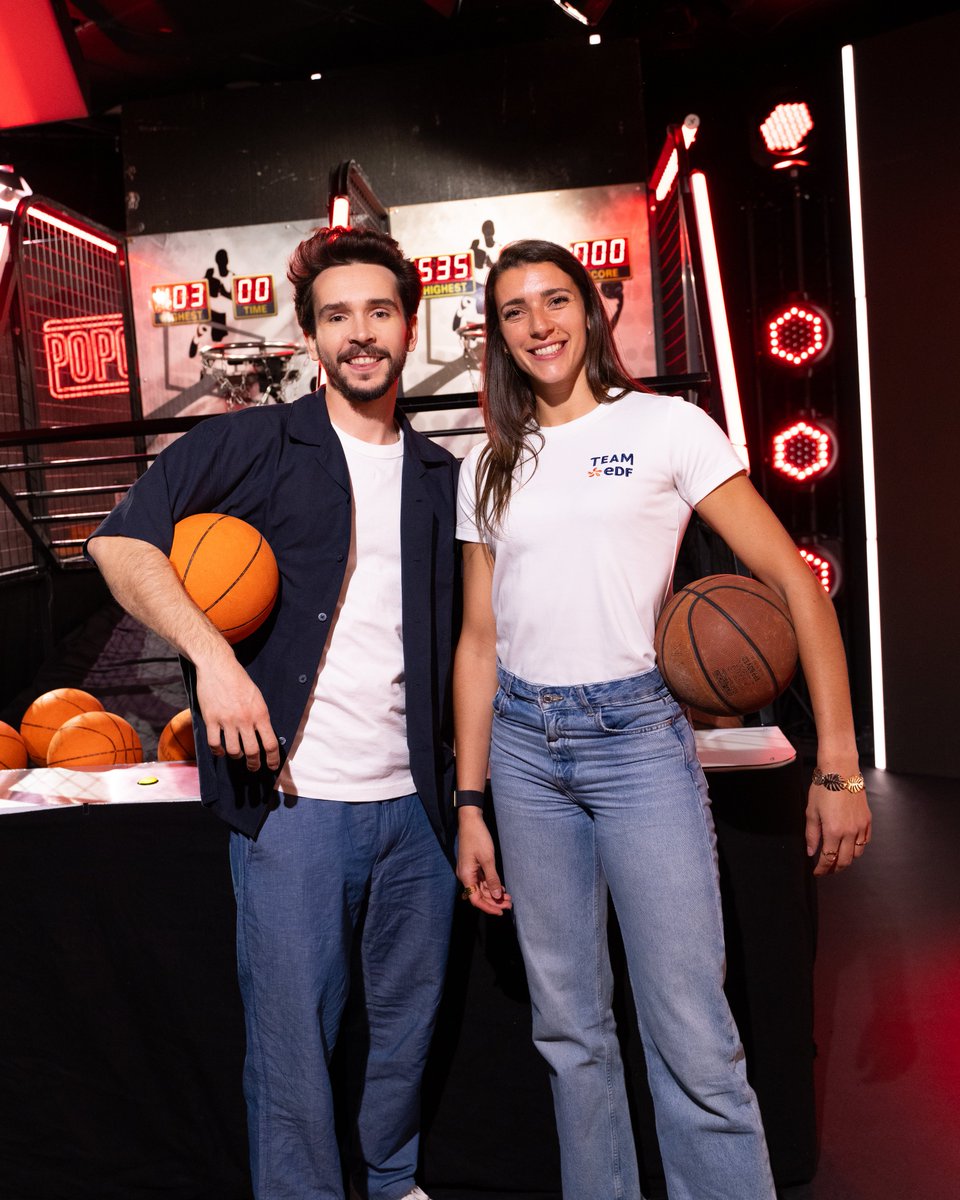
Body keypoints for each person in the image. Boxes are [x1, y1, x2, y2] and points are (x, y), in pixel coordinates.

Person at [453, 239, 871, 1200]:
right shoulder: (486, 461)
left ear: (592, 312)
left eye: (555, 301)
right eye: (515, 311)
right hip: (520, 749)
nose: (538, 325)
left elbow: (799, 593)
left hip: (638, 741)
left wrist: (838, 764)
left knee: (689, 1027)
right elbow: (479, 642)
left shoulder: (668, 428)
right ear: (498, 335)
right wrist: (471, 799)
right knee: (568, 1031)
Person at [87, 226, 460, 1200]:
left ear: (409, 327)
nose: (360, 332)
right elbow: (120, 546)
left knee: (406, 1028)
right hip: (296, 805)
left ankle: (391, 1179)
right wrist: (213, 661)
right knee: (293, 1047)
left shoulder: (438, 478)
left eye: (379, 311)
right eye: (337, 315)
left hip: (419, 808)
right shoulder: (254, 443)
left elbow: (474, 644)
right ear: (311, 335)